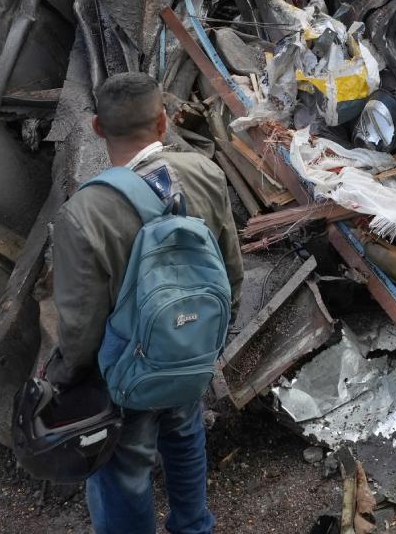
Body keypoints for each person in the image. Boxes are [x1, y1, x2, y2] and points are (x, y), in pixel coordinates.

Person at [51, 73, 242, 534]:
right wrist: (206, 340)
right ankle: (193, 526)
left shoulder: (85, 211)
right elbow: (231, 269)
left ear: (97, 128)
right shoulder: (206, 173)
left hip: (127, 371)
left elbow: (80, 323)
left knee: (123, 468)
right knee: (185, 435)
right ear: (163, 122)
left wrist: (70, 378)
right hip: (191, 345)